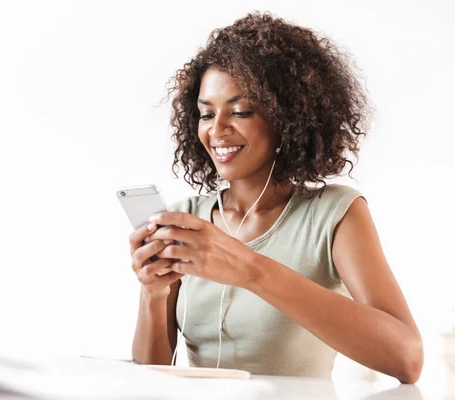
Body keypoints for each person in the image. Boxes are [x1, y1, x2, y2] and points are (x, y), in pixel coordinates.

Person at [129, 12, 423, 383]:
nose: (217, 130)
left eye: (241, 111)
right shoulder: (186, 220)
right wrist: (153, 295)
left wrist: (250, 270)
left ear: (286, 117)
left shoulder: (334, 214)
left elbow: (407, 359)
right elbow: (146, 383)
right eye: (206, 114)